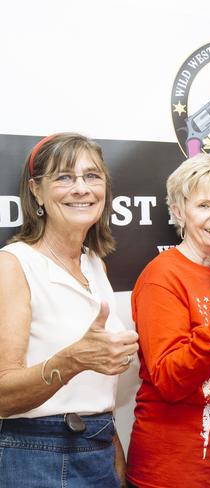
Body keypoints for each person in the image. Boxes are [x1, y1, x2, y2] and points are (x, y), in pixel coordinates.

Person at [0, 132, 139, 487]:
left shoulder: (96, 265)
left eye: (92, 176)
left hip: (97, 448)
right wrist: (73, 360)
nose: (82, 188)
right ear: (36, 191)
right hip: (35, 454)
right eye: (64, 177)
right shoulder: (14, 265)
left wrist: (111, 445)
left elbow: (93, 392)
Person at [126, 154, 210, 488]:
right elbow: (170, 379)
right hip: (174, 474)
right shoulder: (162, 277)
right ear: (178, 212)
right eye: (203, 205)